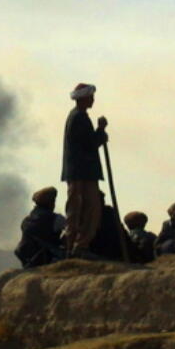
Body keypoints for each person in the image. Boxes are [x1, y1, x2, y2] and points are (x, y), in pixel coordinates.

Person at [62, 83, 109, 256]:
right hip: (81, 172)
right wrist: (101, 131)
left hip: (81, 171)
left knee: (84, 208)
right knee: (83, 209)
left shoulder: (79, 116)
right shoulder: (78, 118)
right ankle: (77, 246)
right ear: (83, 98)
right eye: (90, 97)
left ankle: (78, 245)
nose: (93, 100)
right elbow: (89, 144)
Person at [15, 187, 65, 268]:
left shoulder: (26, 220)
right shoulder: (56, 219)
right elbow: (74, 228)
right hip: (47, 258)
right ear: (51, 203)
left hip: (28, 259)